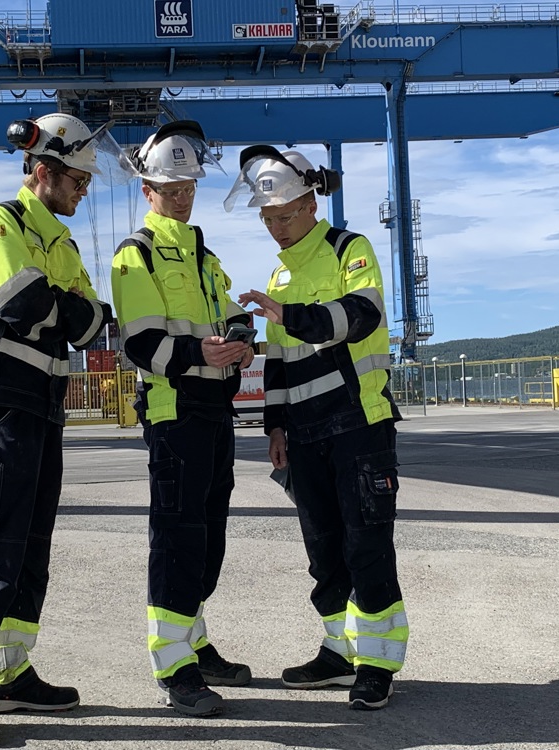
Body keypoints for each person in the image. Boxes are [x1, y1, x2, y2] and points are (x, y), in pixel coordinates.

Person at [0, 113, 125, 746]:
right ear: (42, 171)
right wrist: (67, 309)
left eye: (85, 181)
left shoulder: (64, 245)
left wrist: (68, 310)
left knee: (33, 544)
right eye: (76, 178)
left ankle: (10, 672)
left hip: (45, 406)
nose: (82, 190)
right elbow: (24, 306)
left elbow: (90, 324)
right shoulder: (1, 225)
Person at [225, 146, 409, 711]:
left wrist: (290, 315)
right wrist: (274, 425)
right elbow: (277, 364)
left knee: (367, 544)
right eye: (267, 218)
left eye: (284, 215)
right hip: (303, 434)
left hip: (359, 423)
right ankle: (339, 651)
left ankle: (376, 663)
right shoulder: (279, 274)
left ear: (310, 204)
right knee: (324, 549)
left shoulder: (349, 249)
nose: (276, 227)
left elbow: (364, 315)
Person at [110, 121, 254, 717]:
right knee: (177, 538)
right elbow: (141, 343)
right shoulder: (134, 255)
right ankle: (174, 669)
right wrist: (201, 353)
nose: (183, 196)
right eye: (171, 188)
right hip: (173, 412)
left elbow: (224, 316)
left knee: (207, 536)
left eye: (189, 185)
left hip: (215, 409)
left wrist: (242, 336)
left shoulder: (205, 255)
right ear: (147, 189)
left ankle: (193, 641)